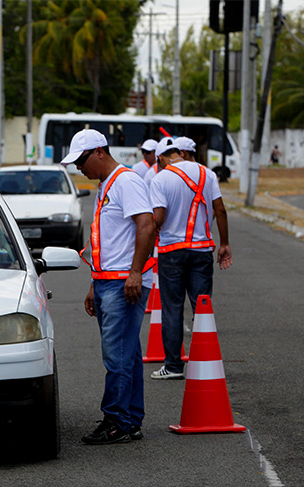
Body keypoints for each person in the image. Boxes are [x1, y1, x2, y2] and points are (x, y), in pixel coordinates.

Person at [61, 129, 156, 445]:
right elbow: (108, 241)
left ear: (100, 152)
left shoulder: (126, 181)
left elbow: (147, 224)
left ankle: (118, 420)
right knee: (127, 354)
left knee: (116, 355)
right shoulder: (107, 185)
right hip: (108, 281)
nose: (79, 168)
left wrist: (134, 273)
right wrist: (93, 283)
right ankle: (129, 419)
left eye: (82, 160)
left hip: (122, 283)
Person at [148, 136, 232, 380]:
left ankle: (173, 366)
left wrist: (150, 231)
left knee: (173, 309)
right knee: (202, 307)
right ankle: (205, 362)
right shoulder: (207, 174)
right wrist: (224, 243)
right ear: (180, 153)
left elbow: (159, 217)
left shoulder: (160, 178)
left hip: (171, 252)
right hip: (202, 251)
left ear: (162, 158)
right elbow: (221, 210)